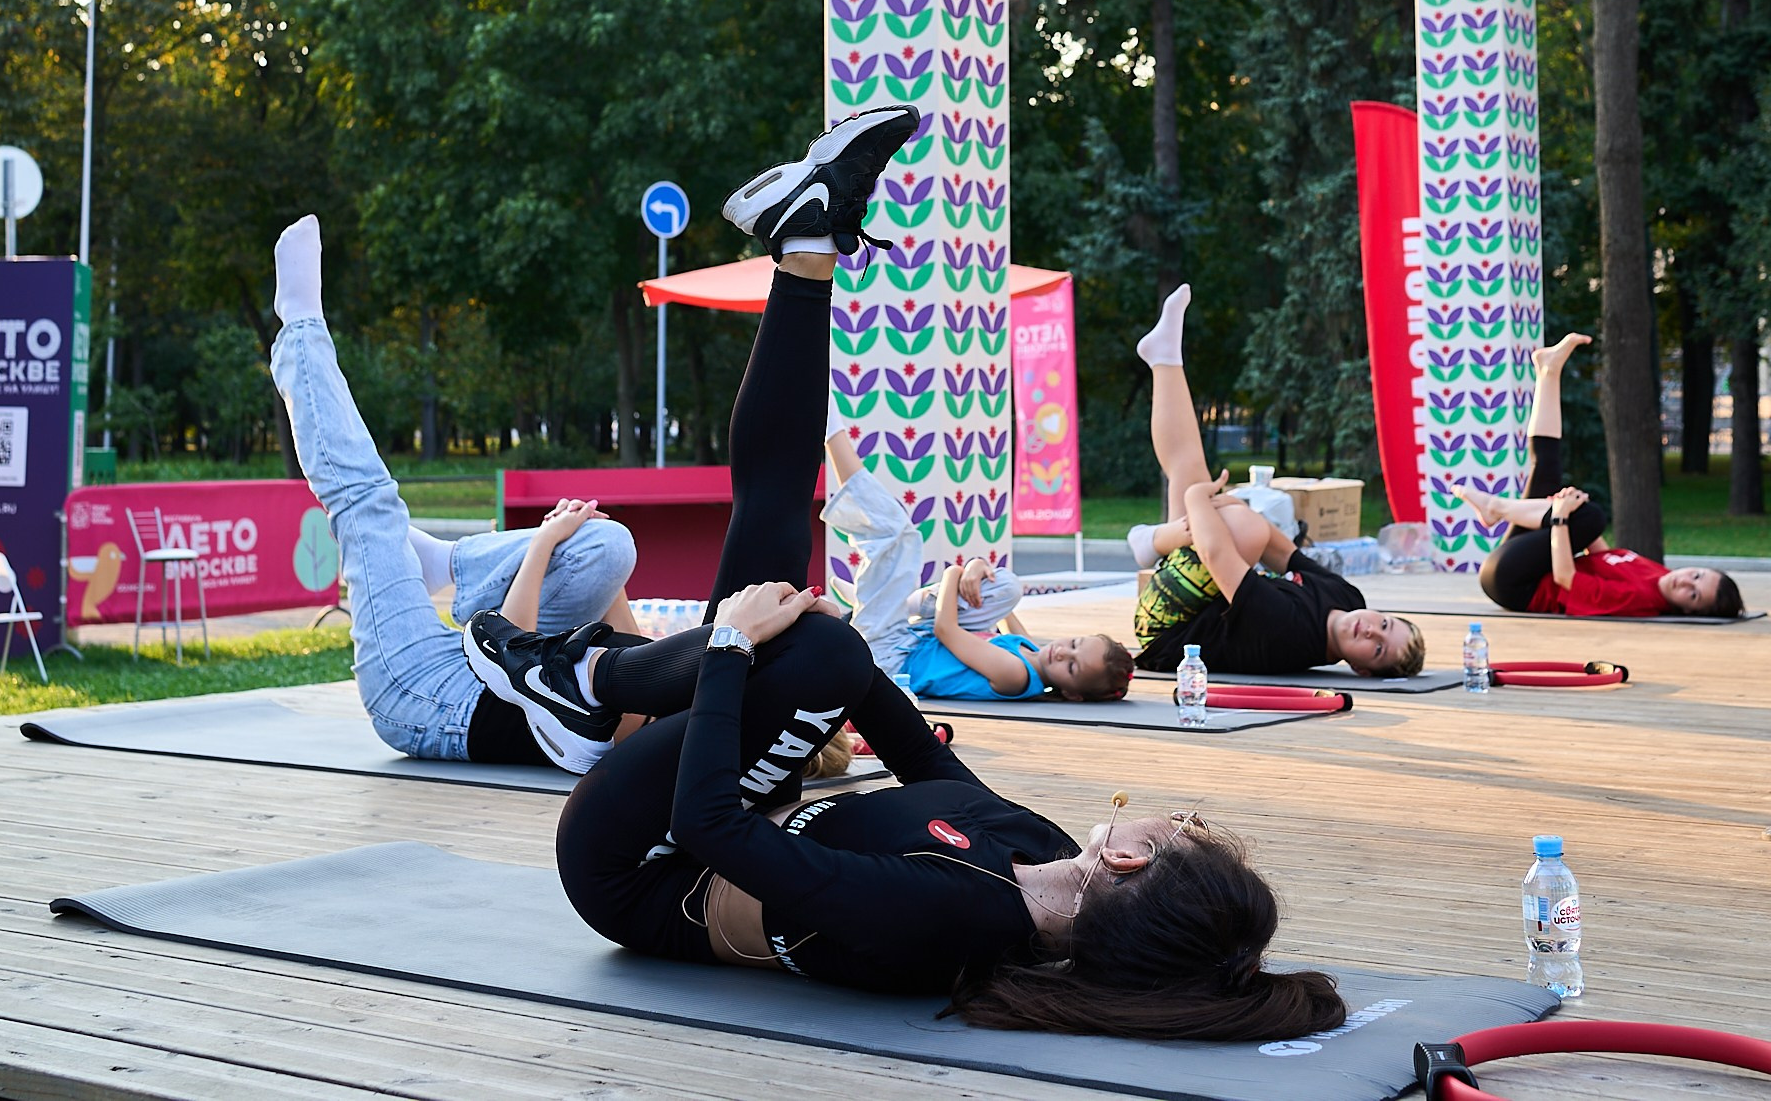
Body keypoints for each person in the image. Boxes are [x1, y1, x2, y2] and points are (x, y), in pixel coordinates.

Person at [454, 106, 1342, 1038]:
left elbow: (716, 830)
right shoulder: (1034, 851)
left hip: (636, 861)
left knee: (807, 640)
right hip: (734, 807)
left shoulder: (956, 917)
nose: (1176, 810)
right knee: (794, 574)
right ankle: (805, 245)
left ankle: (580, 679)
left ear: (1127, 860)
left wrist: (725, 649)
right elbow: (921, 758)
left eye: (1185, 823)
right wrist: (809, 632)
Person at [269, 217, 655, 767]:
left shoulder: (649, 727)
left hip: (425, 697)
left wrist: (544, 543)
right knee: (610, 545)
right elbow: (595, 607)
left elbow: (515, 652)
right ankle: (449, 564)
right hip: (482, 660)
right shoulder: (671, 685)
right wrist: (583, 542)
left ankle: (299, 329)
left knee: (369, 500)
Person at [1128, 286, 1424, 679]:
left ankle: (1152, 540)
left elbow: (1219, 557)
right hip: (1207, 599)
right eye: (1384, 624)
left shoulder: (1292, 635)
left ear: (1361, 668)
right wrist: (1226, 505)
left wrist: (1200, 499)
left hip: (1167, 629)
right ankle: (1165, 358)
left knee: (1235, 522)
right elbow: (1283, 551)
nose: (1369, 629)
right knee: (1230, 508)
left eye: (1377, 648)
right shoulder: (1349, 599)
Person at [828, 424, 1134, 702]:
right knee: (1007, 587)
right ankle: (879, 602)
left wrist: (955, 573)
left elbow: (946, 629)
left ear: (1070, 693)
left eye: (1072, 666)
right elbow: (1005, 611)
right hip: (912, 641)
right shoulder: (1033, 654)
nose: (1063, 651)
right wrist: (977, 566)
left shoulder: (1015, 675)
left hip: (890, 659)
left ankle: (832, 434)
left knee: (898, 536)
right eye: (1076, 643)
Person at [1462, 334, 1744, 618]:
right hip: (1524, 566)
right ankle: (1548, 372)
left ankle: (1495, 507)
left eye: (1693, 595)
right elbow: (1600, 557)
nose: (1684, 581)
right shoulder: (1659, 574)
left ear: (1686, 610)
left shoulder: (1639, 600)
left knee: (1592, 517)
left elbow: (1565, 578)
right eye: (1696, 575)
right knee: (1549, 472)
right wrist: (1565, 505)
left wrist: (1561, 518)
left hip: (1515, 583)